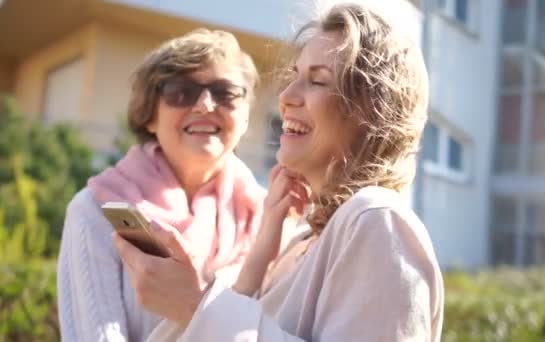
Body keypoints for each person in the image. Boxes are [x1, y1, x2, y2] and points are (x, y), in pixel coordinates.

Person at [114, 2, 444, 341]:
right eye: (294, 77)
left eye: (317, 81)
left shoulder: (378, 220)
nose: (286, 97)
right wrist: (259, 257)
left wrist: (196, 305)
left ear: (372, 111)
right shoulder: (303, 239)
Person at [57, 28, 266, 342]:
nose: (206, 105)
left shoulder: (271, 220)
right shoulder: (95, 212)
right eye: (181, 91)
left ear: (246, 116)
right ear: (150, 116)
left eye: (225, 93)